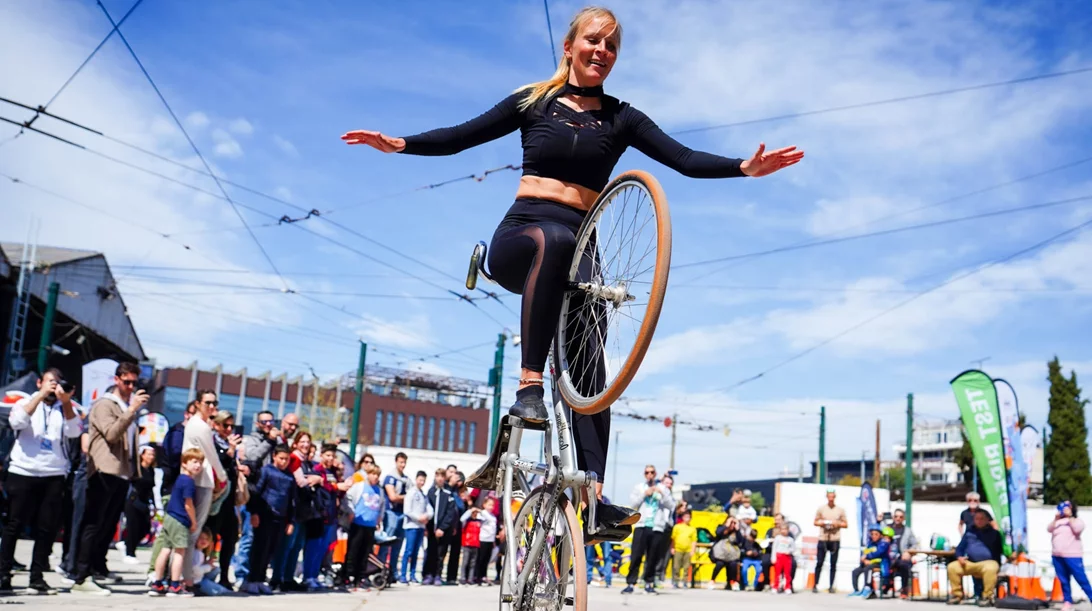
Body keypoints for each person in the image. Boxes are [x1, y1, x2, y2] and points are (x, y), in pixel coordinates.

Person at [342, 5, 802, 533]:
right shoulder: (534, 101)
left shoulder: (622, 116)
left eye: (611, 46)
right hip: (523, 238)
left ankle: (593, 495)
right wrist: (399, 143)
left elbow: (686, 159)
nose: (602, 51)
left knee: (590, 371)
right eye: (593, 41)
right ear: (570, 46)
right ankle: (529, 385)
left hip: (582, 253)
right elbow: (459, 136)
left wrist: (744, 167)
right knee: (555, 239)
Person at [0, 369, 81, 595]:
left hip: (53, 474)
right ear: (39, 383)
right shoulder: (25, 402)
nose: (54, 387)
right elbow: (16, 422)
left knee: (46, 529)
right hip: (22, 471)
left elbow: (74, 432)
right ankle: (3, 573)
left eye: (58, 383)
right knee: (13, 525)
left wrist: (65, 402)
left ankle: (37, 577)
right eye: (50, 382)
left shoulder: (66, 408)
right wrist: (39, 396)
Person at [72, 362, 148, 595]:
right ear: (116, 380)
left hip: (121, 473)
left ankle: (96, 568)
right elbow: (112, 434)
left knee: (108, 525)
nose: (131, 387)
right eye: (127, 382)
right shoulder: (105, 404)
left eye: (135, 383)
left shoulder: (126, 406)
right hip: (104, 469)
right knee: (93, 523)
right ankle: (80, 576)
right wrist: (131, 410)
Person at [181, 390, 227, 588]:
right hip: (201, 480)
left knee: (192, 530)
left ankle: (183, 576)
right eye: (207, 402)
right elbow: (212, 455)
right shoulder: (201, 426)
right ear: (198, 403)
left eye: (214, 403)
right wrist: (223, 477)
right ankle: (186, 578)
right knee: (193, 530)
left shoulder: (199, 424)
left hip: (199, 478)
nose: (211, 406)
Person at [148, 448, 204, 598]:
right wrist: (193, 522)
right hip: (180, 519)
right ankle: (175, 585)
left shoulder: (180, 479)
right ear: (184, 464)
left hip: (169, 517)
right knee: (179, 552)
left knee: (165, 549)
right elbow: (188, 504)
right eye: (194, 462)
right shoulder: (189, 481)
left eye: (200, 462)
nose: (198, 465)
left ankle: (157, 583)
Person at [243, 445, 297, 596]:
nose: (284, 462)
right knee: (259, 547)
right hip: (264, 515)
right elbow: (256, 492)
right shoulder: (266, 471)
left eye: (287, 459)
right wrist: (254, 512)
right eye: (281, 458)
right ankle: (252, 579)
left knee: (271, 549)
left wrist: (291, 521)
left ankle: (260, 579)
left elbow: (292, 501)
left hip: (280, 518)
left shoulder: (290, 477)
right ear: (274, 456)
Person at [270, 431, 319, 591]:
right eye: (302, 441)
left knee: (296, 546)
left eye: (308, 442)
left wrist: (317, 479)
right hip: (293, 509)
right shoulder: (294, 459)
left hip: (303, 510)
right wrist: (316, 479)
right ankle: (278, 578)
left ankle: (288, 577)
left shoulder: (307, 461)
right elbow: (301, 482)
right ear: (296, 443)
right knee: (287, 546)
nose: (305, 445)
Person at [623, 465, 674, 594]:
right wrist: (644, 494)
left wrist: (662, 494)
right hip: (642, 525)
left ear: (655, 474)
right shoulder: (639, 487)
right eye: (647, 472)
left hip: (657, 526)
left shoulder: (662, 488)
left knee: (653, 557)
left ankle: (649, 583)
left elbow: (672, 505)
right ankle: (631, 583)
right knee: (636, 556)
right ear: (644, 474)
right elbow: (633, 504)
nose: (649, 474)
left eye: (652, 472)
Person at [208, 411, 243, 590]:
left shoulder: (230, 445)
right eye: (225, 426)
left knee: (230, 538)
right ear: (216, 425)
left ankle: (224, 575)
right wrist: (229, 452)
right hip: (214, 500)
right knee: (210, 537)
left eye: (231, 426)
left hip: (228, 501)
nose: (229, 430)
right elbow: (217, 464)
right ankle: (205, 574)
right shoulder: (211, 441)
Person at [947, 508, 1003, 606]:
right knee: (952, 567)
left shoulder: (995, 534)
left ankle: (987, 597)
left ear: (987, 520)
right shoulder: (969, 533)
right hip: (970, 562)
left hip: (987, 563)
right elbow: (959, 548)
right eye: (977, 519)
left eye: (982, 519)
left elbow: (1001, 550)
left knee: (991, 568)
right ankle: (957, 595)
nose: (979, 521)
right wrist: (960, 557)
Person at [345, 463, 386, 593]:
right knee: (353, 551)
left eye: (377, 475)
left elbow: (382, 505)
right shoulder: (359, 487)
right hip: (358, 523)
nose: (375, 477)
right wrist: (350, 512)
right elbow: (349, 498)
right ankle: (349, 577)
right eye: (373, 474)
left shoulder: (380, 491)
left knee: (365, 553)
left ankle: (360, 578)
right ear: (368, 474)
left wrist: (380, 517)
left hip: (370, 525)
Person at [1047, 501, 1092, 611]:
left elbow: (1077, 529)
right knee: (1063, 580)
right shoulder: (1058, 522)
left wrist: (1070, 516)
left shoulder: (1077, 521)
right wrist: (1056, 518)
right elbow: (1049, 529)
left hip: (1072, 556)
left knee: (1081, 578)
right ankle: (1067, 601)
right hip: (1057, 555)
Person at [423, 468, 457, 586]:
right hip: (431, 529)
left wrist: (442, 528)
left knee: (441, 553)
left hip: (443, 530)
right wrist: (427, 527)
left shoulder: (448, 493)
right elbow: (426, 509)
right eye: (438, 476)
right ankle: (428, 575)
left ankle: (438, 575)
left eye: (442, 476)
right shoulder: (430, 492)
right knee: (431, 552)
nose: (440, 478)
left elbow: (450, 513)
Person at [122, 446, 157, 564]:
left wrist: (154, 504)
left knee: (145, 527)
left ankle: (127, 543)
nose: (151, 457)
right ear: (142, 455)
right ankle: (130, 552)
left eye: (152, 454)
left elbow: (151, 488)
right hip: (133, 500)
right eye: (148, 454)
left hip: (144, 501)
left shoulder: (151, 470)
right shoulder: (136, 469)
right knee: (133, 527)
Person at [400, 470, 433, 584]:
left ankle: (412, 574)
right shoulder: (411, 493)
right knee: (408, 551)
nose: (422, 482)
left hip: (420, 527)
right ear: (416, 479)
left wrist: (426, 516)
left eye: (424, 480)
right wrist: (418, 517)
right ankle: (403, 575)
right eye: (420, 480)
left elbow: (430, 509)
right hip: (411, 526)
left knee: (415, 552)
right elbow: (407, 510)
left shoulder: (423, 495)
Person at [813, 489, 847, 594]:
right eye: (829, 496)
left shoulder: (840, 510)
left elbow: (845, 524)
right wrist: (823, 523)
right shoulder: (821, 509)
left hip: (834, 538)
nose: (831, 499)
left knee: (833, 564)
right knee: (819, 562)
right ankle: (815, 584)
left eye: (832, 496)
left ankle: (831, 585)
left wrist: (836, 524)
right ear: (827, 497)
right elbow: (815, 521)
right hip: (823, 538)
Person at [161, 401, 197, 499]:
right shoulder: (177, 433)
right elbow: (175, 458)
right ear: (186, 414)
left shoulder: (190, 433)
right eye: (194, 414)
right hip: (173, 487)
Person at [382, 452, 409, 580]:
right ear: (396, 462)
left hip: (402, 514)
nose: (402, 465)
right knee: (386, 542)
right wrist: (405, 497)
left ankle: (392, 572)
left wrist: (404, 498)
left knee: (398, 544)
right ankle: (380, 569)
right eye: (401, 462)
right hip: (391, 513)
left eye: (404, 462)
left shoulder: (407, 479)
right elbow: (392, 497)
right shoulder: (390, 478)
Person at [890, 508, 918, 599]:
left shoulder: (907, 530)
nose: (898, 518)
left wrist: (908, 552)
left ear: (904, 519)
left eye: (900, 517)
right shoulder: (887, 528)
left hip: (902, 557)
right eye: (896, 516)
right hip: (890, 557)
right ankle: (886, 586)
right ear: (893, 517)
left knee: (904, 564)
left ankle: (904, 589)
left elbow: (914, 544)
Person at [708, 516, 742, 590]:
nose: (732, 524)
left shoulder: (736, 532)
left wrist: (737, 529)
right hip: (719, 555)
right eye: (731, 522)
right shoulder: (721, 528)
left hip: (731, 556)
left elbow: (740, 541)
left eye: (734, 523)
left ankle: (733, 582)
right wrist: (726, 525)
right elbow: (718, 533)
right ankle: (712, 580)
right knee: (720, 564)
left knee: (733, 564)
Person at [473, 497, 498, 586]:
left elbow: (493, 529)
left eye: (492, 505)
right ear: (484, 505)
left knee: (486, 559)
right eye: (489, 505)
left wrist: (494, 541)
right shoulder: (482, 513)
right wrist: (479, 510)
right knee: (480, 558)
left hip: (490, 540)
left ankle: (483, 575)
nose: (491, 507)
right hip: (482, 539)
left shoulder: (493, 516)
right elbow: (478, 517)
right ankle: (477, 576)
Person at [458, 502, 484, 585]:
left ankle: (470, 578)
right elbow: (462, 518)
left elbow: (487, 519)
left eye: (476, 513)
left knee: (473, 563)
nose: (475, 514)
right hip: (467, 544)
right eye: (473, 512)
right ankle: (462, 578)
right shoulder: (466, 521)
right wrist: (470, 511)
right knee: (465, 562)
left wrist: (480, 511)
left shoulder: (479, 521)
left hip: (475, 544)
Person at [670, 510, 696, 589]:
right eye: (686, 517)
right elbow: (673, 538)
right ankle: (675, 581)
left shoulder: (692, 529)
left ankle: (685, 582)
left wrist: (692, 550)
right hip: (678, 549)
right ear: (683, 517)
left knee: (686, 567)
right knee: (676, 566)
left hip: (687, 550)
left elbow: (694, 541)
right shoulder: (677, 527)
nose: (687, 519)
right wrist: (672, 548)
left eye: (689, 517)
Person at [771, 523, 796, 594]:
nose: (783, 531)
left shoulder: (790, 539)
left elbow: (793, 548)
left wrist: (789, 551)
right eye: (782, 529)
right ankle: (775, 587)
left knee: (787, 574)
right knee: (777, 574)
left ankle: (787, 587)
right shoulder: (778, 538)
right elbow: (774, 548)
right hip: (779, 556)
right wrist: (773, 558)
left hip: (787, 557)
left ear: (788, 530)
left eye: (785, 529)